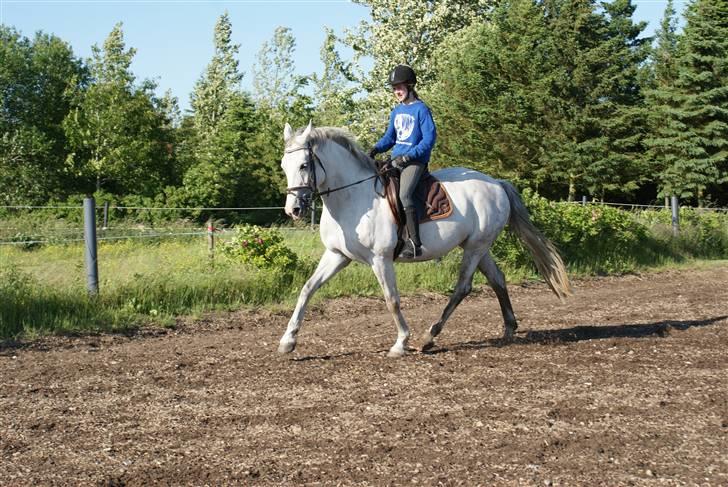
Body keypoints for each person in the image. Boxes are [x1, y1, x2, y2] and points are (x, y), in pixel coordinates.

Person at [369, 64, 437, 259]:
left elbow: (429, 139)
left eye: (400, 87)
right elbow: (389, 138)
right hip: (396, 159)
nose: (397, 91)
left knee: (405, 194)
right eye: (394, 88)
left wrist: (409, 156)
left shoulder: (421, 110)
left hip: (415, 162)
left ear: (410, 86)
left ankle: (415, 243)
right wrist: (375, 149)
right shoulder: (397, 111)